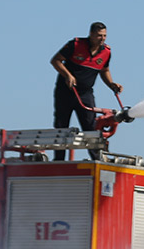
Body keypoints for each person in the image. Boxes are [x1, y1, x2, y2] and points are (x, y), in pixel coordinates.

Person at [51, 21, 123, 160]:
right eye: (99, 35)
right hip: (65, 92)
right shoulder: (75, 44)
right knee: (61, 126)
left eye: (104, 36)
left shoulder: (106, 52)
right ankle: (59, 160)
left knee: (91, 127)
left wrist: (112, 84)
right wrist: (68, 75)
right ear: (91, 34)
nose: (102, 38)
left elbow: (104, 70)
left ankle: (97, 159)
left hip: (85, 94)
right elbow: (56, 60)